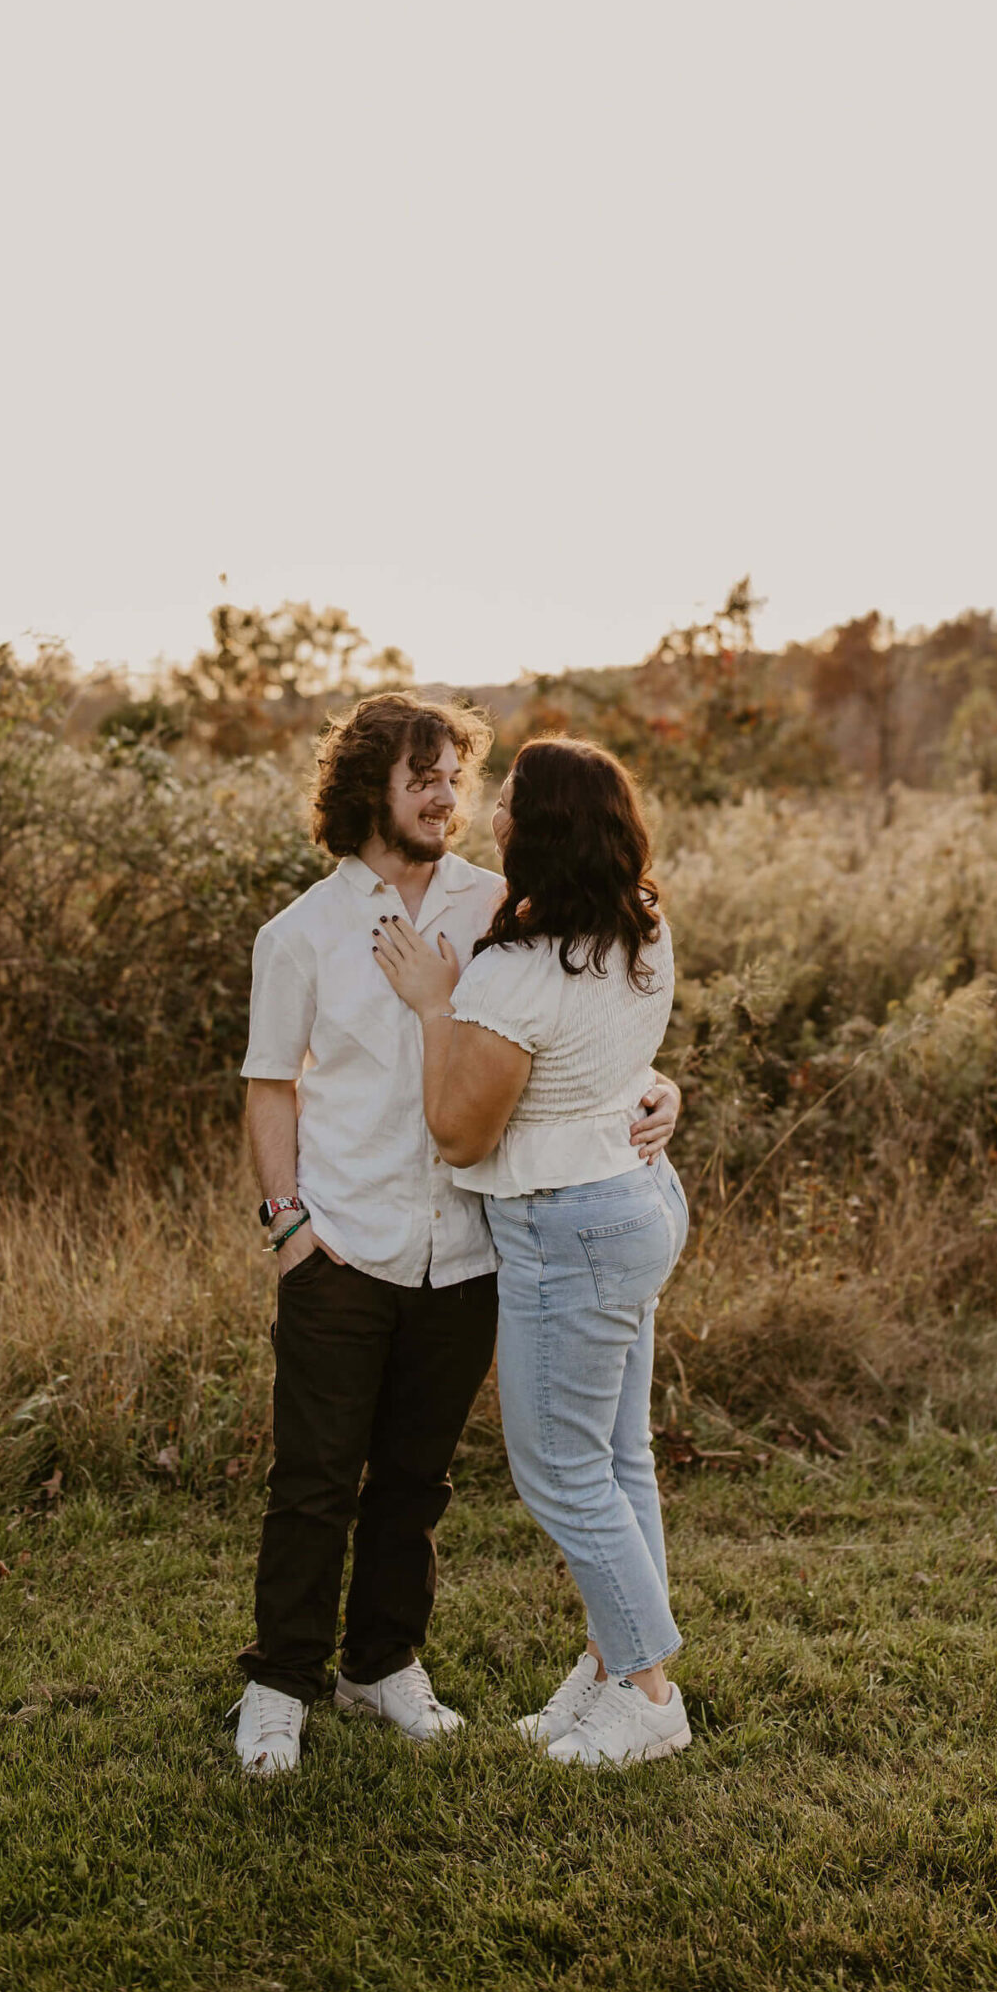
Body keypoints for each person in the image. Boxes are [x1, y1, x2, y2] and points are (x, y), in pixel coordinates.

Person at [231, 695, 680, 1779]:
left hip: (474, 1247)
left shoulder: (503, 907)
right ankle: (280, 1682)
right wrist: (288, 1224)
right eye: (420, 775)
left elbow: (586, 1026)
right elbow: (268, 1085)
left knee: (417, 1480)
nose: (446, 796)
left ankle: (382, 1663)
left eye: (455, 776)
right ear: (366, 791)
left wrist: (660, 1089)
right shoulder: (300, 934)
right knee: (314, 1479)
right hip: (343, 1242)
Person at [373, 735, 692, 1770]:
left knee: (560, 1471)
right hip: (637, 1203)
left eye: (507, 799)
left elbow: (462, 1134)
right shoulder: (644, 927)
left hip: (571, 1228)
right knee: (618, 1457)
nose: (491, 812)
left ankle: (649, 1695)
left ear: (537, 828)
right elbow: (616, 1061)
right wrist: (662, 1090)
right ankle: (611, 1662)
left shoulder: (514, 972)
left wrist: (434, 1005)